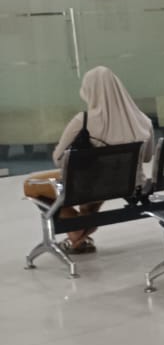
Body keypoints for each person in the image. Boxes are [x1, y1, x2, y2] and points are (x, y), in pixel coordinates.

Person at [21, 66, 154, 254]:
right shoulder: (143, 120)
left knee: (31, 185)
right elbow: (147, 157)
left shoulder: (83, 120)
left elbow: (59, 159)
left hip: (93, 186)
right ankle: (81, 234)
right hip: (131, 184)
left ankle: (76, 230)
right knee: (95, 190)